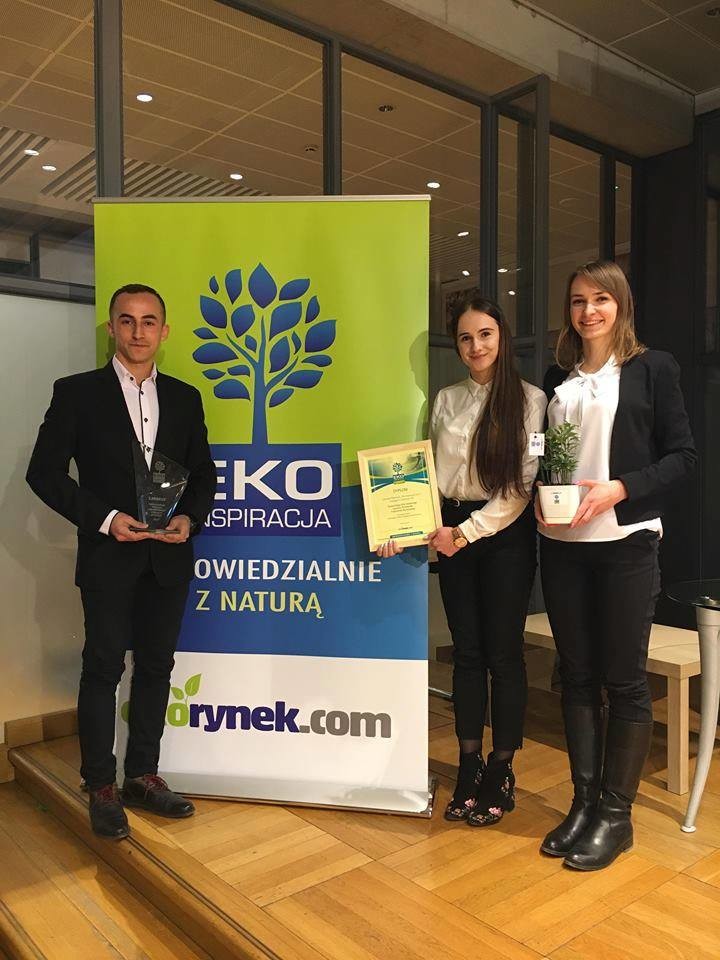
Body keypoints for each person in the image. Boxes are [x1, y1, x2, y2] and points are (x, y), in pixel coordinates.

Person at [27, 283, 217, 840]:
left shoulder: (185, 398)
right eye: (127, 321)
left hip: (168, 558)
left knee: (157, 667)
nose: (138, 331)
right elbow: (44, 473)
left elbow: (203, 473)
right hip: (109, 555)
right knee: (104, 669)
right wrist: (106, 518)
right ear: (112, 328)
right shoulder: (77, 393)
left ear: (164, 330)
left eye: (149, 321)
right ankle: (100, 786)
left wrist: (191, 519)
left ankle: (142, 776)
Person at [537, 260, 696, 870]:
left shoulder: (653, 368)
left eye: (601, 299)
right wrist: (542, 496)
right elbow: (548, 457)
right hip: (562, 545)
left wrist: (621, 488)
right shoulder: (558, 377)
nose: (589, 311)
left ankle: (615, 814)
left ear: (621, 304)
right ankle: (583, 804)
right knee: (576, 676)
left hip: (626, 541)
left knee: (624, 680)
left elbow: (683, 457)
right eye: (579, 300)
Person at [379, 296, 546, 826]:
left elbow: (520, 486)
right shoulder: (446, 400)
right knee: (467, 653)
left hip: (502, 535)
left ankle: (502, 767)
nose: (476, 346)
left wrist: (466, 533)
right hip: (450, 529)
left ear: (503, 337)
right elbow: (426, 474)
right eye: (466, 338)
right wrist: (402, 528)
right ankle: (469, 762)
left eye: (485, 334)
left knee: (504, 654)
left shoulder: (530, 399)